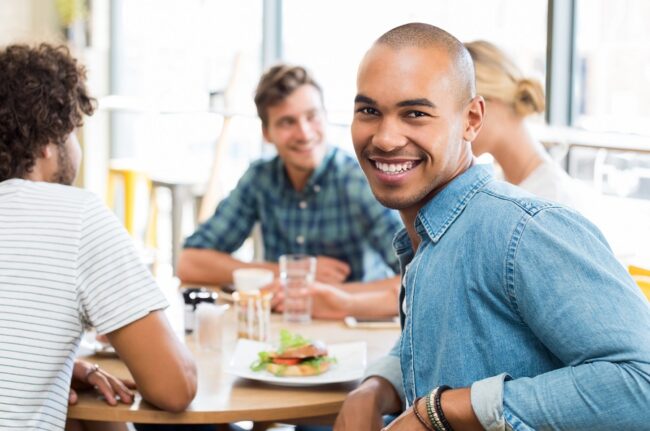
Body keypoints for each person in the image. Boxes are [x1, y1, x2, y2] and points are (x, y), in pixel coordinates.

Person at [334, 23, 650, 431]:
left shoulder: (524, 231)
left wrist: (442, 411)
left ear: (471, 119)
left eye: (415, 113)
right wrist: (376, 388)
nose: (386, 137)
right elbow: (444, 333)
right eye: (369, 111)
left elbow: (642, 382)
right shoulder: (437, 236)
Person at [0, 43, 197, 430]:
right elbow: (176, 387)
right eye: (75, 132)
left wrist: (61, 365)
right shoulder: (75, 216)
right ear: (49, 143)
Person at [178, 64, 403, 319]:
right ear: (266, 133)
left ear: (325, 116)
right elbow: (189, 263)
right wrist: (288, 273)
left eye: (312, 116)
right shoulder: (261, 178)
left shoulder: (358, 181)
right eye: (287, 122)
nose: (304, 133)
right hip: (283, 333)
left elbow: (417, 276)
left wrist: (335, 297)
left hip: (354, 334)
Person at [465, 40, 592, 210]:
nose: (454, 129)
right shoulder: (506, 185)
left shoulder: (550, 200)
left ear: (491, 103)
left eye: (464, 112)